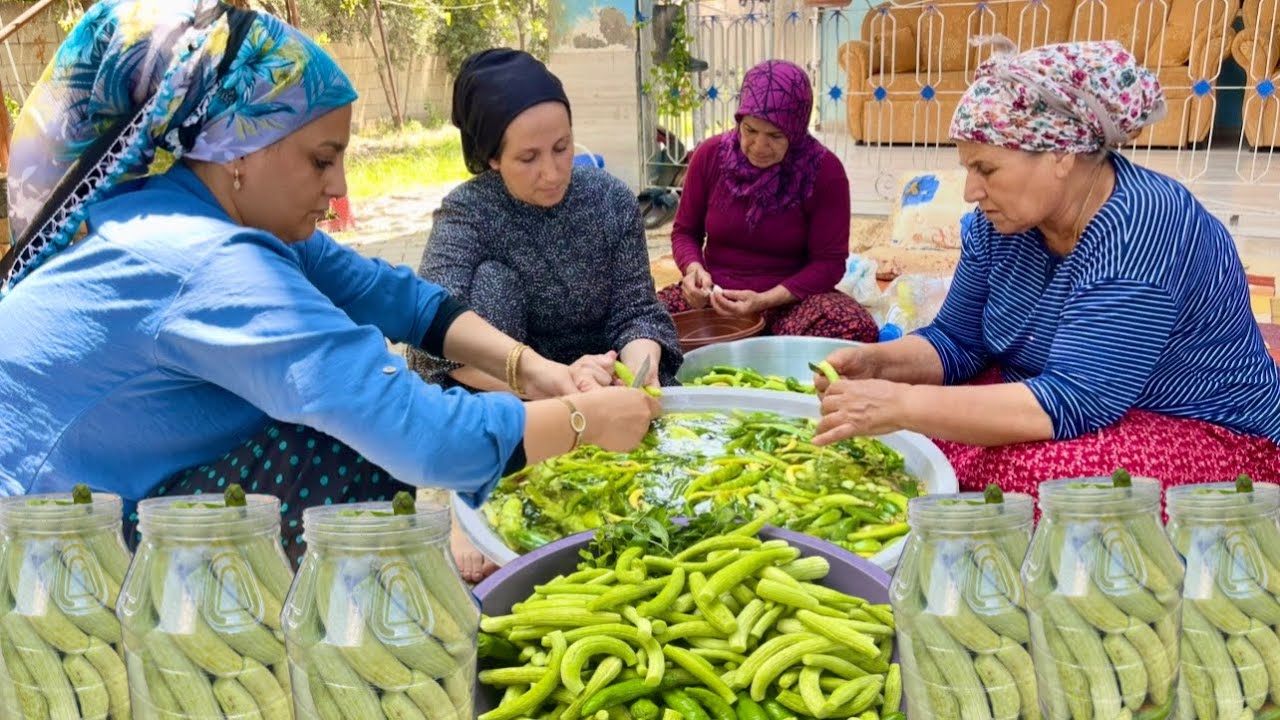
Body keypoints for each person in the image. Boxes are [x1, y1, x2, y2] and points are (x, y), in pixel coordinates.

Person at [0, 0, 659, 575]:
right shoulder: (207, 261)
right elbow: (421, 434)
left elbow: (403, 299)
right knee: (351, 445)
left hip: (107, 485)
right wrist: (582, 422)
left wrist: (536, 371)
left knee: (348, 429)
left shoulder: (184, 207)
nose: (341, 188)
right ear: (238, 150)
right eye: (321, 160)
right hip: (44, 537)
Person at [812, 37, 1280, 495]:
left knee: (1047, 482)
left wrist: (902, 404)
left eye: (987, 170)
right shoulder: (1000, 225)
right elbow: (957, 341)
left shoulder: (1143, 223)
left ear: (1061, 155)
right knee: (915, 434)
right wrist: (877, 363)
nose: (971, 190)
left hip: (1200, 427)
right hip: (1055, 393)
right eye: (968, 169)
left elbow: (1075, 399)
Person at [411, 48, 681, 394]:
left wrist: (638, 372)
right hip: (507, 393)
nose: (552, 174)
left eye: (561, 147)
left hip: (605, 382)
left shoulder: (610, 200)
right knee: (493, 281)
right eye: (528, 157)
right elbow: (432, 330)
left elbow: (636, 310)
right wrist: (550, 385)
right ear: (493, 157)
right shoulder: (467, 213)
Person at [657, 60, 878, 342]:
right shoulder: (709, 155)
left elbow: (829, 263)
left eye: (775, 135)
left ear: (796, 131)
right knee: (641, 323)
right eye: (750, 130)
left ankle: (768, 346)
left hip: (790, 304)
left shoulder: (824, 172)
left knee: (855, 327)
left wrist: (766, 300)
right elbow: (685, 232)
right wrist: (693, 271)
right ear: (739, 120)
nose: (759, 146)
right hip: (714, 300)